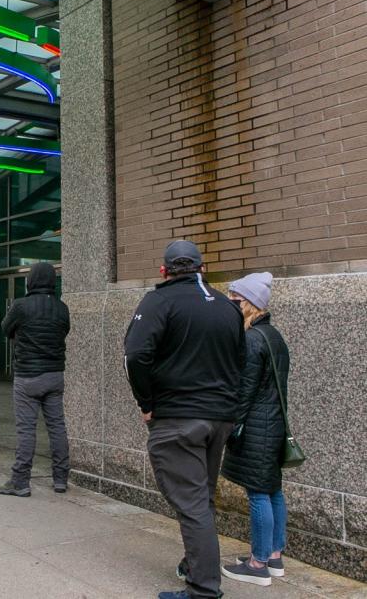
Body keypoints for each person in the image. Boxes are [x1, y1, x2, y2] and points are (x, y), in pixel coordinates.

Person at [124, 240, 245, 599]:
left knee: (192, 504)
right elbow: (241, 360)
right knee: (201, 499)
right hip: (218, 418)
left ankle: (204, 589)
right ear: (201, 268)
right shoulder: (227, 306)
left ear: (164, 271)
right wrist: (231, 408)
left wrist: (146, 402)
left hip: (178, 417)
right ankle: (197, 567)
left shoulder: (158, 302)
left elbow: (135, 355)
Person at [221, 273, 290, 587]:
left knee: (258, 493)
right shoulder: (274, 336)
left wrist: (230, 427)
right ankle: (274, 556)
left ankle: (258, 564)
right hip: (274, 424)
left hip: (257, 428)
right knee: (273, 489)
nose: (230, 305)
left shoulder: (251, 340)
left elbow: (244, 391)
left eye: (234, 300)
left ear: (248, 303)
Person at [0, 263, 70, 497]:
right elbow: (64, 331)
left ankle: (20, 481)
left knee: (26, 430)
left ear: (31, 281)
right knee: (57, 427)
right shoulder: (61, 308)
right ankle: (60, 479)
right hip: (55, 374)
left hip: (27, 375)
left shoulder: (21, 306)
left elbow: (5, 329)